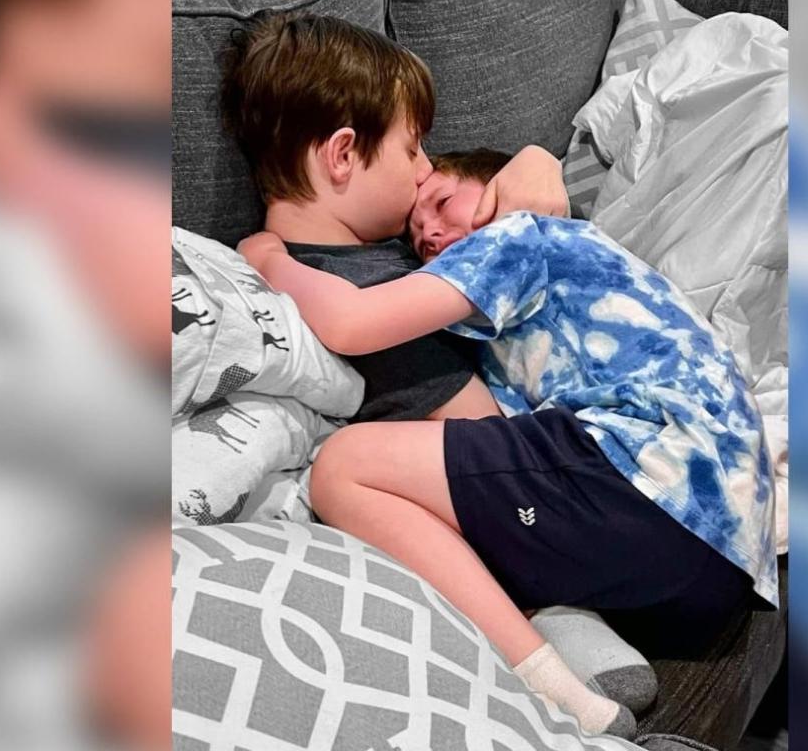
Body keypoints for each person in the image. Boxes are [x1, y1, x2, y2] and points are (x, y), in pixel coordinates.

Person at [242, 142, 780, 740]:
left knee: (344, 466)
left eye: (442, 202)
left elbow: (352, 322)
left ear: (500, 188)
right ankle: (566, 624)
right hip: (717, 569)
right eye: (419, 239)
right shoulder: (544, 311)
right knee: (459, 481)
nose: (431, 234)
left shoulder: (522, 236)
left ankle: (556, 699)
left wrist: (270, 260)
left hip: (649, 482)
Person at [219, 11, 569, 424]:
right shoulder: (369, 292)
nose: (426, 169)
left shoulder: (372, 245)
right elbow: (486, 431)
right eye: (412, 148)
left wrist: (539, 160)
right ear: (343, 155)